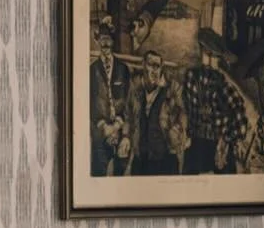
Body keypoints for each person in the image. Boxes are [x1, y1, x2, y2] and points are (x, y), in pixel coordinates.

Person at [181, 27, 248, 175]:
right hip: (200, 143)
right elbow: (185, 107)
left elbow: (239, 110)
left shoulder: (215, 81)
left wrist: (227, 140)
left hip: (214, 144)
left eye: (208, 54)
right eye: (205, 52)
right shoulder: (194, 78)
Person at [129, 48, 185, 176]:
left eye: (157, 66)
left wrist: (177, 130)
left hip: (165, 159)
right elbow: (129, 116)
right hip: (141, 159)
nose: (155, 71)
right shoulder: (136, 88)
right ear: (143, 65)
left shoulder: (173, 88)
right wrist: (127, 137)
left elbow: (183, 114)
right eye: (151, 65)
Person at [88, 21, 132, 176]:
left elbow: (128, 100)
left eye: (108, 39)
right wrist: (104, 127)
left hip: (120, 131)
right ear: (97, 41)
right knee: (98, 174)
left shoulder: (123, 69)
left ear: (113, 42)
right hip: (100, 133)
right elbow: (90, 103)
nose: (105, 43)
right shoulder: (92, 70)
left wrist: (117, 126)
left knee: (120, 178)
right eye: (102, 39)